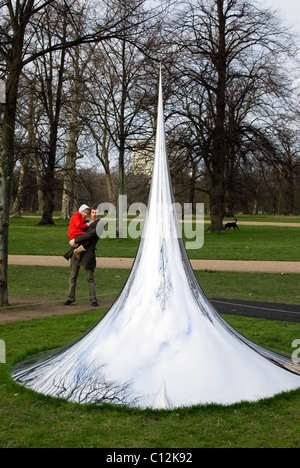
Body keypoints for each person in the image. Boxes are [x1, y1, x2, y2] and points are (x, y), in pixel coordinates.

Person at [64, 206, 104, 307]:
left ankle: (93, 299)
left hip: (88, 252)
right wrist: (73, 241)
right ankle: (70, 298)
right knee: (73, 276)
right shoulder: (84, 222)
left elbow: (90, 235)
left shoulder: (100, 224)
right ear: (90, 213)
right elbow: (74, 230)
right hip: (76, 251)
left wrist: (75, 240)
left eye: (96, 212)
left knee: (89, 277)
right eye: (93, 212)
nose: (94, 214)